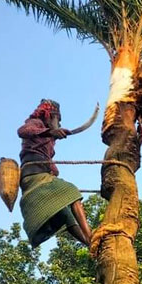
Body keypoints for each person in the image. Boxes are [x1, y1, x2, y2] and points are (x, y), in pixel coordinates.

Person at [17, 99, 93, 248]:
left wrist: (53, 169)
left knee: (66, 216)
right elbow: (22, 131)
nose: (59, 124)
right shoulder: (36, 123)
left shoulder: (46, 138)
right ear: (50, 116)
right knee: (72, 192)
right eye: (58, 120)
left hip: (39, 176)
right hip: (35, 176)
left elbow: (47, 160)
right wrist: (50, 131)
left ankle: (90, 245)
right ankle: (91, 236)